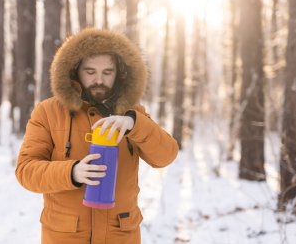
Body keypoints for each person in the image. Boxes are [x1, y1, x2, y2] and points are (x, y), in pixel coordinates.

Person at [15, 28, 179, 244]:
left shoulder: (133, 113)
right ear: (75, 71)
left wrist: (134, 124)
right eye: (90, 72)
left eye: (107, 72)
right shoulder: (48, 112)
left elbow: (166, 156)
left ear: (119, 73)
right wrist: (72, 172)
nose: (99, 80)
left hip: (120, 235)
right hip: (65, 236)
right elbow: (26, 171)